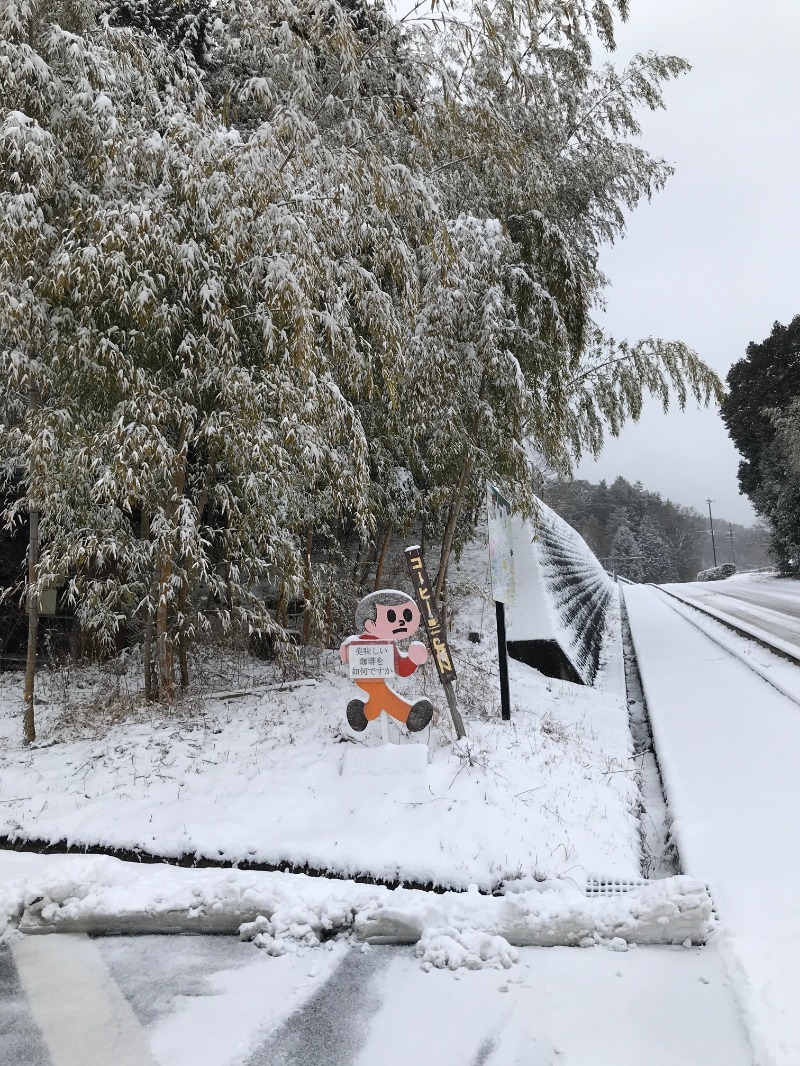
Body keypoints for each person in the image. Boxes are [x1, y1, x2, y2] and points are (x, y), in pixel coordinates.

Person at [339, 590, 434, 733]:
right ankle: (408, 715)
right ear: (370, 624)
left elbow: (401, 668)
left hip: (378, 677)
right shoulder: (363, 642)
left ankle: (362, 714)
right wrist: (347, 650)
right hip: (364, 675)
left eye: (406, 616)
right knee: (381, 692)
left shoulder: (389, 645)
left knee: (380, 696)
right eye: (391, 616)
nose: (401, 621)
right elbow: (349, 649)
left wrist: (413, 659)